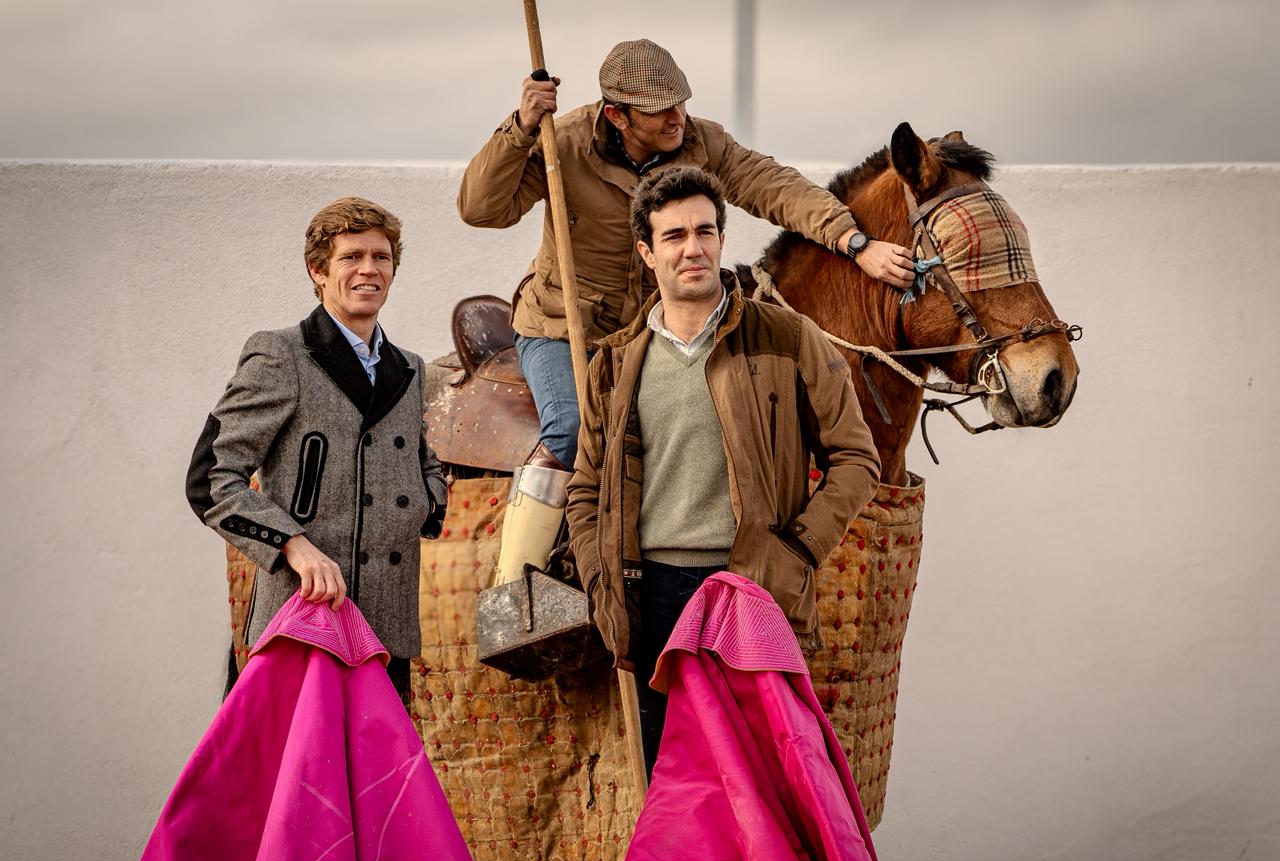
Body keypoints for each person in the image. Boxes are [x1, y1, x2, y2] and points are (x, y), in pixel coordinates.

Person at [458, 38, 911, 587]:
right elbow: (480, 209)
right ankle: (519, 590)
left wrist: (854, 241)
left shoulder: (702, 141)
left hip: (655, 331)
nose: (678, 117)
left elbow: (775, 187)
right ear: (616, 115)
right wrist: (522, 126)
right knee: (575, 429)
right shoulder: (563, 141)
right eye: (660, 109)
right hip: (560, 328)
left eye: (681, 102)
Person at [565, 166, 882, 772]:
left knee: (759, 781)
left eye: (705, 231)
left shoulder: (788, 337)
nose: (693, 248)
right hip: (650, 596)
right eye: (674, 236)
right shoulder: (615, 364)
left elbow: (855, 458)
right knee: (671, 782)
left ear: (722, 239)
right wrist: (599, 569)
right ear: (646, 252)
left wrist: (797, 551)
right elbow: (587, 486)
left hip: (749, 589)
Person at [186, 196, 448, 700]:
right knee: (290, 776)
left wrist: (428, 500)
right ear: (319, 270)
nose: (368, 269)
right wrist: (293, 544)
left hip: (386, 627)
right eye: (351, 257)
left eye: (381, 257)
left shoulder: (411, 368)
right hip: (302, 617)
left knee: (376, 779)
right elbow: (211, 478)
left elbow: (422, 459)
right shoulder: (279, 353)